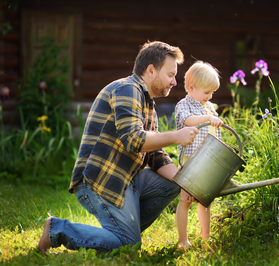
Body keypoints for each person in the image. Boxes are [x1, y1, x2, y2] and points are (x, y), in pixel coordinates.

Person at [38, 41, 199, 254]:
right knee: (128, 245)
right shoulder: (127, 89)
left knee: (172, 184)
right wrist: (177, 137)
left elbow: (155, 156)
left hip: (126, 179)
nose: (174, 81)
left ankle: (119, 232)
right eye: (170, 74)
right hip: (101, 180)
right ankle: (57, 229)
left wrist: (188, 183)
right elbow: (134, 140)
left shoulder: (148, 104)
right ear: (151, 70)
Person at [174, 61, 224, 249]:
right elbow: (187, 121)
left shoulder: (209, 107)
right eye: (206, 92)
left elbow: (213, 133)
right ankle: (183, 240)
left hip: (208, 162)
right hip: (190, 162)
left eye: (212, 93)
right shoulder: (183, 105)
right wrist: (208, 118)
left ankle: (206, 237)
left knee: (205, 201)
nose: (209, 96)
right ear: (192, 87)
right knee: (185, 201)